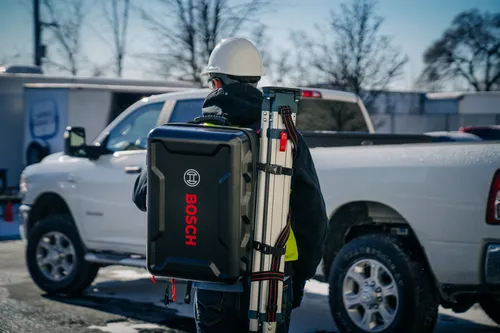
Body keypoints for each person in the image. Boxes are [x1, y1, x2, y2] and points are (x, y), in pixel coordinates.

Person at [132, 37, 328, 333]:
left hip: (215, 283)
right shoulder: (286, 139)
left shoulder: (192, 136)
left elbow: (142, 195)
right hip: (275, 280)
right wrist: (299, 279)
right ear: (256, 82)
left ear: (215, 82)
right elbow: (313, 217)